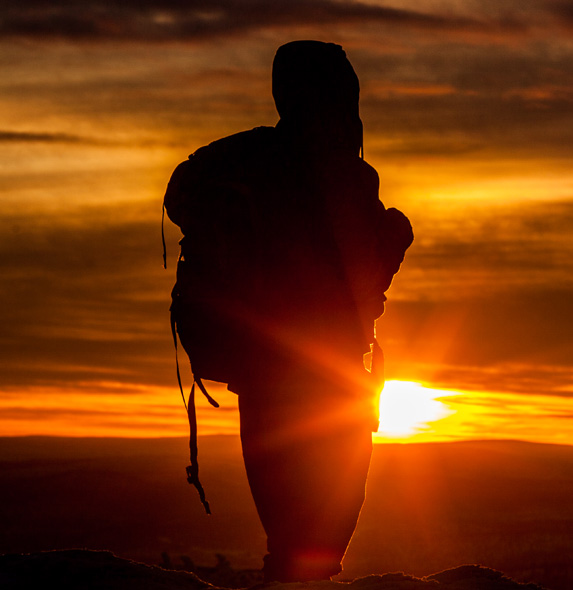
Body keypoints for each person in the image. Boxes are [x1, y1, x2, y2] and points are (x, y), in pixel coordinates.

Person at [163, 40, 412, 582]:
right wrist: (398, 231)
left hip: (261, 373)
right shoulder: (346, 176)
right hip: (332, 374)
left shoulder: (247, 157)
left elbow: (179, 192)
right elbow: (363, 269)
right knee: (325, 529)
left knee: (287, 529)